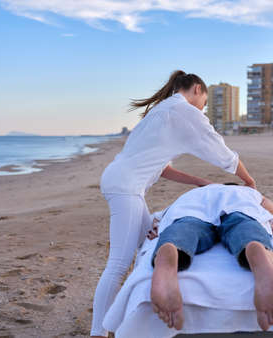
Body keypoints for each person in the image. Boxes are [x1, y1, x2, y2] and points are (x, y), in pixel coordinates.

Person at [91, 71, 256, 337]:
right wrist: (248, 179)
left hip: (121, 182)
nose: (204, 107)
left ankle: (131, 318)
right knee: (118, 264)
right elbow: (218, 149)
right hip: (125, 187)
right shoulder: (183, 111)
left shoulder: (162, 111)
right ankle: (97, 333)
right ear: (197, 89)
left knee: (148, 241)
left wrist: (201, 182)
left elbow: (163, 168)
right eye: (205, 100)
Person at [148, 184, 273, 332]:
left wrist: (161, 228)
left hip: (193, 210)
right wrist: (269, 220)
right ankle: (255, 246)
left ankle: (172, 247)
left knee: (184, 227)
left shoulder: (193, 193)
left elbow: (163, 217)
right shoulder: (245, 192)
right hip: (238, 208)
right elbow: (268, 207)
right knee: (245, 226)